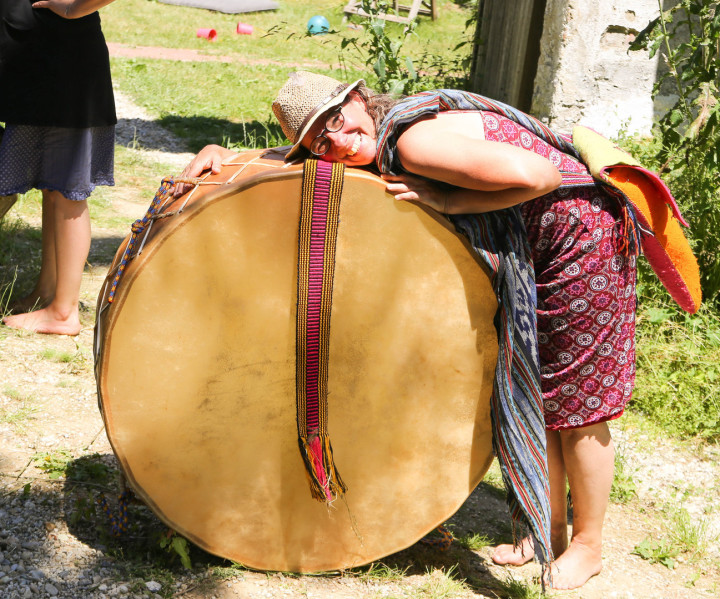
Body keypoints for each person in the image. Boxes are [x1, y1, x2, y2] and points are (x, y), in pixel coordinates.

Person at [179, 71, 641, 591]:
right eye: (319, 142)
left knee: (578, 408)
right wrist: (221, 152)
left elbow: (541, 177)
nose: (337, 140)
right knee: (540, 393)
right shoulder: (377, 139)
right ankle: (547, 533)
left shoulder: (411, 143)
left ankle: (588, 546)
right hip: (542, 244)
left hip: (583, 241)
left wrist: (450, 202)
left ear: (359, 100)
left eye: (337, 119)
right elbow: (290, 162)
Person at [0, 0, 118, 335]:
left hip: (63, 67)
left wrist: (72, 7)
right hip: (38, 65)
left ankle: (64, 313)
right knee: (53, 186)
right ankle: (48, 292)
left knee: (67, 189)